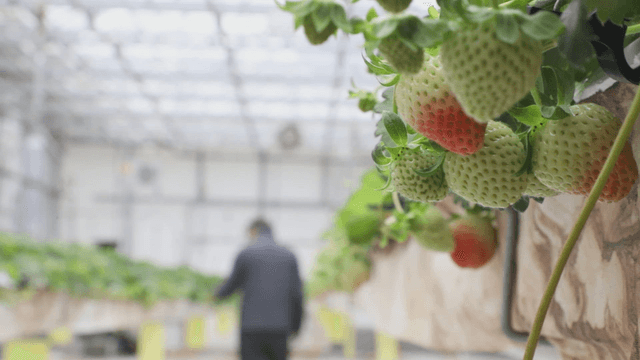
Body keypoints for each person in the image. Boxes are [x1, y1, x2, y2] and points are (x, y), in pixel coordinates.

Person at [214, 219, 304, 360]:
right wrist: (296, 326)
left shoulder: (246, 254)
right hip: (280, 328)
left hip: (251, 327)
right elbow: (297, 295)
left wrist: (216, 294)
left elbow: (232, 285)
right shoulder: (289, 256)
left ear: (253, 231)